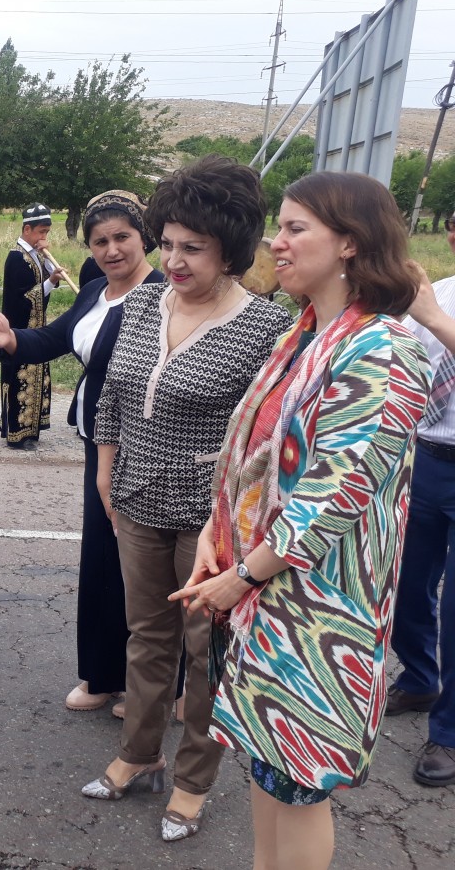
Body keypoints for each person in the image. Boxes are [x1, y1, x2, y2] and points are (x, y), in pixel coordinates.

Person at [172, 171, 428, 869]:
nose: (276, 244)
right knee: (269, 760)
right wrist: (215, 537)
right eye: (278, 228)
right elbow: (250, 456)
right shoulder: (305, 334)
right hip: (269, 590)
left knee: (301, 777)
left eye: (295, 229)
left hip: (320, 608)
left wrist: (241, 577)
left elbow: (335, 495)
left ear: (349, 242)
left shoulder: (384, 349)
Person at [80, 155, 292, 843]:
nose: (172, 260)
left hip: (212, 518)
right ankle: (139, 755)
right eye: (167, 243)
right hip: (136, 496)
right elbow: (112, 391)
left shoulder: (265, 328)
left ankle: (194, 782)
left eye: (192, 248)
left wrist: (240, 518)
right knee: (146, 637)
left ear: (231, 249)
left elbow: (265, 440)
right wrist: (106, 470)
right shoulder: (145, 301)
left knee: (205, 654)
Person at [0, 189, 161, 715]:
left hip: (145, 447)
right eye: (100, 241)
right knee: (101, 559)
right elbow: (56, 339)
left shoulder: (163, 294)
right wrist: (12, 338)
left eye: (122, 237)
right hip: (97, 443)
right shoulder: (96, 290)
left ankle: (149, 686)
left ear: (144, 237)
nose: (111, 249)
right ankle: (102, 675)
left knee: (141, 568)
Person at [384, 212, 455, 788]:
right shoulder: (439, 292)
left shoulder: (434, 305)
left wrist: (433, 318)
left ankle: (450, 732)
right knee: (405, 583)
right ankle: (420, 677)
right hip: (427, 455)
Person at [0, 203, 62, 450]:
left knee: (35, 377)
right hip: (19, 330)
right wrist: (51, 282)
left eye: (47, 232)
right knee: (19, 380)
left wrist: (49, 264)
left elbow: (43, 281)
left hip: (34, 328)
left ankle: (32, 429)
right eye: (41, 232)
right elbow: (22, 298)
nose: (44, 237)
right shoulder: (16, 258)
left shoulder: (34, 254)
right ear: (27, 230)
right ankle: (18, 434)